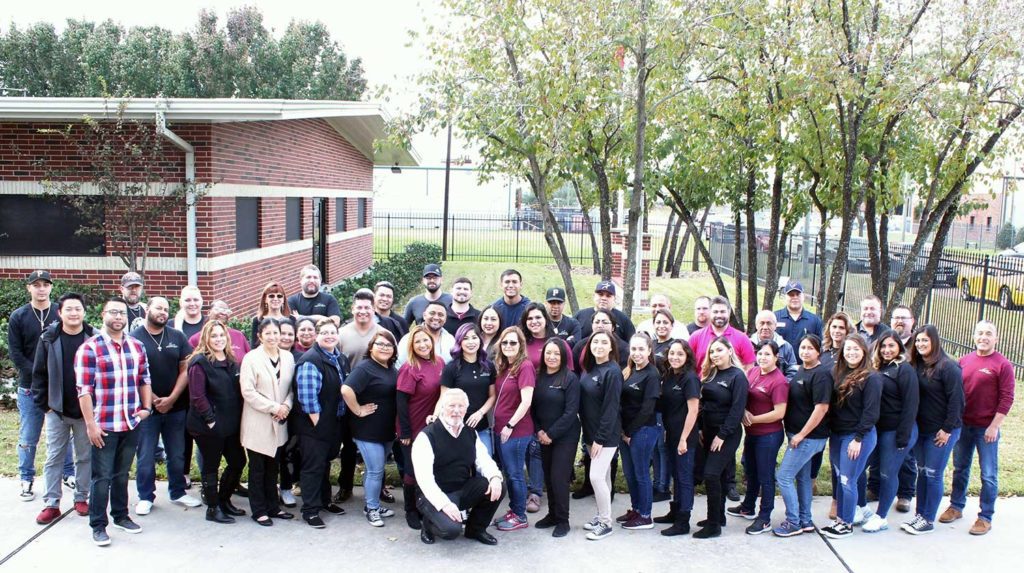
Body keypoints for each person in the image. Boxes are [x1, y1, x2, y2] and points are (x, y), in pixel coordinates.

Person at [75, 296, 153, 546]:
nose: (118, 317)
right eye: (113, 312)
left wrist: (147, 409)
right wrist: (91, 425)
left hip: (130, 423)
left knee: (121, 474)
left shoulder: (136, 346)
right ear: (103, 315)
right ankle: (98, 525)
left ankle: (121, 515)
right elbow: (84, 390)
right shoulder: (90, 348)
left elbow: (144, 379)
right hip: (104, 426)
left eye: (122, 313)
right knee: (102, 477)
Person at [941, 320, 1014, 536]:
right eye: (980, 333)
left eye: (988, 333)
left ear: (996, 338)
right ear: (974, 336)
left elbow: (1007, 398)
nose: (984, 337)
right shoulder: (963, 361)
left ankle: (985, 517)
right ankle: (956, 506)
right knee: (960, 468)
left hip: (986, 429)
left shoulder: (1003, 365)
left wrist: (994, 426)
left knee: (988, 474)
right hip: (963, 426)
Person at [130, 297, 200, 515]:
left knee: (177, 453)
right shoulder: (134, 338)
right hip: (146, 410)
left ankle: (178, 491)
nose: (162, 312)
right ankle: (145, 496)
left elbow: (185, 369)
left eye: (166, 309)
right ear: (147, 309)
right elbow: (134, 375)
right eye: (158, 308)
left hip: (176, 407)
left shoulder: (177, 336)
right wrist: (153, 400)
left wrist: (171, 398)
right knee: (146, 454)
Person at [30, 293, 96, 524]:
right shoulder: (49, 338)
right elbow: (38, 374)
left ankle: (81, 497)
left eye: (78, 309)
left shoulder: (94, 338)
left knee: (85, 457)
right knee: (54, 457)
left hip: (85, 411)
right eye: (69, 309)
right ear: (60, 313)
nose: (74, 313)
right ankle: (51, 503)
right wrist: (45, 406)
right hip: (56, 410)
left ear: (84, 312)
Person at [412, 388, 505, 546]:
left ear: (466, 409)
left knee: (498, 486)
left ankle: (475, 529)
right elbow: (425, 480)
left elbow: (484, 460)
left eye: (461, 406)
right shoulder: (426, 437)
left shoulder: (470, 433)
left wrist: (495, 477)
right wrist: (445, 504)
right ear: (442, 407)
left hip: (461, 488)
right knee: (451, 530)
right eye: (451, 406)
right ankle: (428, 525)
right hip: (431, 494)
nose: (456, 411)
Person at [9, 270, 66, 502]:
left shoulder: (60, 313)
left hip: (59, 387)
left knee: (65, 432)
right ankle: (26, 478)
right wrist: (38, 374)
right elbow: (16, 352)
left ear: (51, 287)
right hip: (29, 387)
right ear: (29, 288)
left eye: (45, 284)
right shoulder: (19, 316)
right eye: (36, 285)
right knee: (29, 434)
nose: (41, 288)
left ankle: (69, 473)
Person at [904, 325, 964, 535]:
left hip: (942, 431)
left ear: (935, 342)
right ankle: (920, 515)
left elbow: (957, 402)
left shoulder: (948, 367)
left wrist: (947, 430)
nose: (920, 344)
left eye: (925, 341)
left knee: (933, 474)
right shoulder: (916, 364)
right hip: (922, 430)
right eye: (918, 340)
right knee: (922, 472)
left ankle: (928, 519)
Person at [186, 320, 246, 525]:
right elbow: (197, 396)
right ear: (206, 338)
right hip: (208, 425)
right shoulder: (199, 362)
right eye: (214, 336)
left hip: (230, 422)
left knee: (238, 462)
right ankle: (212, 508)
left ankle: (224, 500)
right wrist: (211, 420)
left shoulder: (230, 360)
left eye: (222, 335)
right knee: (211, 467)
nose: (218, 339)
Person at [822, 334, 881, 539]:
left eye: (856, 349)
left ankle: (846, 524)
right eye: (848, 349)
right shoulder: (837, 372)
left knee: (848, 480)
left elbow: (871, 413)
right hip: (838, 435)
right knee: (841, 478)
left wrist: (858, 439)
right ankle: (840, 520)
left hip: (857, 437)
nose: (851, 352)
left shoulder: (871, 378)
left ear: (864, 351)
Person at [773, 334, 832, 538]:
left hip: (808, 437)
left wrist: (801, 435)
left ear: (818, 352)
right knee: (802, 477)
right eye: (803, 347)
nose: (805, 351)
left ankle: (793, 522)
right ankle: (805, 520)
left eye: (810, 348)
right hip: (797, 434)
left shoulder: (821, 374)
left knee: (784, 476)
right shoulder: (802, 369)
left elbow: (821, 408)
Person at [292, 319, 349, 528]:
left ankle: (325, 501)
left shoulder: (339, 358)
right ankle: (310, 510)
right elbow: (307, 398)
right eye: (324, 332)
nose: (329, 335)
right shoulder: (311, 360)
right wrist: (319, 423)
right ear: (316, 336)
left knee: (325, 465)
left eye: (332, 332)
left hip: (334, 423)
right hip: (315, 425)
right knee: (313, 468)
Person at [728, 340, 788, 535]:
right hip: (752, 433)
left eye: (767, 354)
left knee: (765, 476)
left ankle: (764, 518)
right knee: (751, 471)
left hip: (769, 436)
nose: (762, 357)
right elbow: (744, 395)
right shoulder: (753, 372)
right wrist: (744, 410)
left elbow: (780, 412)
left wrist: (754, 419)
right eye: (760, 353)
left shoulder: (778, 381)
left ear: (776, 357)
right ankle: (748, 507)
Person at [239, 318, 295, 526]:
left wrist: (286, 407)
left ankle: (273, 507)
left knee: (274, 468)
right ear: (260, 336)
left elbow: (291, 388)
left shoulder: (288, 357)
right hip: (259, 421)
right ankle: (259, 510)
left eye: (276, 333)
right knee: (258, 468)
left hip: (280, 421)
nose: (273, 337)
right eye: (268, 333)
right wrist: (274, 407)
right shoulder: (251, 358)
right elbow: (248, 391)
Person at [341, 329, 400, 527]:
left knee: (376, 470)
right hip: (368, 430)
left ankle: (371, 504)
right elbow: (346, 389)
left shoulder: (390, 368)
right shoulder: (365, 368)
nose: (384, 348)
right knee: (375, 470)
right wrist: (357, 410)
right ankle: (372, 508)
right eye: (380, 344)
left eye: (388, 345)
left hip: (387, 430)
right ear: (371, 348)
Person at [862, 332, 919, 533]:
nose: (887, 350)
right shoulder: (876, 368)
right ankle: (862, 508)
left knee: (887, 473)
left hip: (897, 432)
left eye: (891, 346)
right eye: (883, 346)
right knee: (860, 468)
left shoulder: (904, 370)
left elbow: (911, 405)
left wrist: (903, 436)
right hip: (876, 430)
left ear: (899, 348)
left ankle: (881, 516)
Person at [693, 337, 748, 539]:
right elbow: (702, 405)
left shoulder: (738, 376)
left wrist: (722, 435)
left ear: (729, 351)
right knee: (722, 474)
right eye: (712, 352)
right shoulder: (710, 374)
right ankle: (719, 516)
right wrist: (700, 428)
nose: (715, 355)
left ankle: (713, 525)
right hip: (707, 431)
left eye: (719, 350)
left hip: (727, 433)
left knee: (711, 474)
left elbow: (737, 409)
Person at [530, 338, 581, 538]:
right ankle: (552, 514)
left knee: (559, 478)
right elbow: (532, 409)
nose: (551, 357)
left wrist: (551, 434)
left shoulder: (570, 378)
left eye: (556, 354)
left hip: (565, 436)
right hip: (543, 435)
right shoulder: (538, 376)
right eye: (548, 353)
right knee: (548, 478)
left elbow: (571, 412)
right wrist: (540, 431)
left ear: (563, 357)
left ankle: (563, 520)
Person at [396, 324, 445, 529]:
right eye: (418, 342)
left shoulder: (440, 362)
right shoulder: (409, 367)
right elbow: (400, 401)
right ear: (412, 346)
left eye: (426, 340)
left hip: (431, 427)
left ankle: (427, 505)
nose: (423, 344)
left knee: (430, 468)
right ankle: (410, 509)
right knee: (412, 470)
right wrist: (405, 432)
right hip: (411, 426)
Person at [578, 331, 623, 541]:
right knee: (603, 477)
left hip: (605, 435)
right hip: (589, 432)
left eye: (604, 342)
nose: (599, 345)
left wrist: (600, 438)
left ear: (611, 347)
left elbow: (611, 409)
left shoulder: (613, 372)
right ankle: (601, 515)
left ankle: (606, 523)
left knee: (595, 476)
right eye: (595, 341)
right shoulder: (591, 368)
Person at [491, 326, 536, 532]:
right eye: (505, 342)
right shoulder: (504, 367)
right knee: (509, 473)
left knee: (515, 473)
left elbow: (526, 401)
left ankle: (520, 515)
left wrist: (510, 424)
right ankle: (514, 509)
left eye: (513, 342)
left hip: (516, 431)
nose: (509, 346)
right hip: (501, 429)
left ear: (521, 345)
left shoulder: (524, 367)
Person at [654, 339, 700, 536]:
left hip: (685, 437)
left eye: (680, 354)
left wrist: (683, 438)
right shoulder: (669, 375)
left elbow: (693, 410)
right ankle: (675, 511)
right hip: (671, 434)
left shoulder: (689, 378)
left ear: (687, 356)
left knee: (684, 478)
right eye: (672, 353)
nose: (675, 357)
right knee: (675, 475)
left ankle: (683, 521)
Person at [616, 333, 662, 531]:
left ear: (649, 350)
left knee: (641, 473)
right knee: (630, 473)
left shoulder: (652, 374)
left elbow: (647, 409)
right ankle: (636, 509)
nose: (636, 353)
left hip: (643, 431)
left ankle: (645, 515)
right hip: (626, 433)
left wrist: (629, 432)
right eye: (633, 349)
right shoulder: (629, 371)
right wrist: (623, 431)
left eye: (641, 349)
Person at [441, 324, 496, 456]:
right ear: (460, 341)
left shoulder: (488, 366)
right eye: (466, 338)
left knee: (485, 465)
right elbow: (444, 398)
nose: (471, 342)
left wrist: (480, 413)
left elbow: (492, 396)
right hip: (457, 427)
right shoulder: (451, 367)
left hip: (481, 426)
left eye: (474, 337)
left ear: (480, 340)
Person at [688, 296, 755, 371]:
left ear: (729, 312)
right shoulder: (696, 337)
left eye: (722, 312)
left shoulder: (742, 338)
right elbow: (688, 364)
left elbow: (749, 369)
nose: (719, 315)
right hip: (702, 382)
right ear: (710, 313)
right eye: (715, 312)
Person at [274, 317, 300, 507]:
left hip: (293, 412)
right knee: (270, 454)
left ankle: (286, 487)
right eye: (282, 333)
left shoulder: (298, 357)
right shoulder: (264, 356)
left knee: (287, 452)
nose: (286, 337)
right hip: (269, 412)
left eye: (290, 334)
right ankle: (270, 488)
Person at [750, 309, 799, 380]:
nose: (765, 327)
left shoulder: (785, 347)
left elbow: (792, 372)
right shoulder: (748, 345)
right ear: (756, 325)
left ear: (775, 326)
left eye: (769, 323)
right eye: (762, 323)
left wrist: (780, 385)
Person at [337, 289, 381, 368]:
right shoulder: (340, 334)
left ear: (373, 310)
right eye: (359, 307)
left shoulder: (383, 334)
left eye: (367, 308)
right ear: (352, 309)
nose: (363, 311)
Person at [774, 281, 823, 350]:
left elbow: (820, 346)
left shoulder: (815, 321)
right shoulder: (774, 318)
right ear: (785, 297)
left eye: (798, 294)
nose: (795, 297)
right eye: (791, 295)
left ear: (804, 296)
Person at [250, 282, 292, 349]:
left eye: (279, 296)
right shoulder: (258, 320)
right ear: (265, 299)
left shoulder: (291, 319)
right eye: (271, 296)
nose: (275, 299)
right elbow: (254, 346)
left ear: (283, 299)